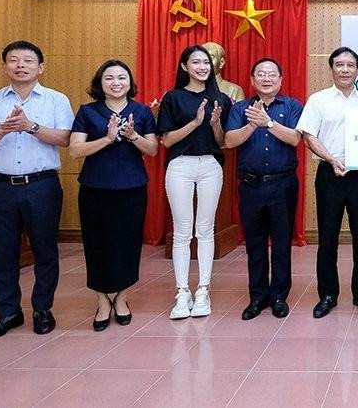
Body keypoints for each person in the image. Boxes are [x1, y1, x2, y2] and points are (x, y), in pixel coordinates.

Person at [0, 41, 73, 342]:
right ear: (5, 67)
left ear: (41, 67)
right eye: (14, 60)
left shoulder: (56, 100)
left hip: (42, 185)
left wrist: (30, 126)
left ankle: (42, 309)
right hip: (0, 187)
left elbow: (65, 138)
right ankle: (8, 312)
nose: (21, 65)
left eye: (28, 60)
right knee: (3, 252)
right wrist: (2, 129)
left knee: (45, 249)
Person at [68, 60, 158, 331]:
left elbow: (152, 149)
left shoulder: (142, 111)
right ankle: (102, 301)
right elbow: (75, 150)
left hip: (132, 188)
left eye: (121, 77)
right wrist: (107, 139)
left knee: (128, 244)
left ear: (130, 82)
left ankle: (122, 298)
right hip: (95, 188)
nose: (116, 82)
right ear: (100, 82)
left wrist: (133, 136)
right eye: (109, 78)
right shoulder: (87, 111)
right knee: (97, 245)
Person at [297, 47, 358, 318]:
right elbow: (309, 136)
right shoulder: (318, 100)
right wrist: (331, 159)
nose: (345, 70)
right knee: (328, 236)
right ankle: (328, 295)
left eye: (350, 65)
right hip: (329, 173)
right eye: (339, 65)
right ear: (331, 68)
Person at [225, 58, 303, 320]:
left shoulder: (292, 106)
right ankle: (257, 296)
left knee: (282, 242)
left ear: (280, 80)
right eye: (261, 74)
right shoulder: (240, 108)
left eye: (271, 74)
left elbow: (295, 138)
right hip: (251, 185)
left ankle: (279, 296)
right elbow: (230, 140)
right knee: (255, 244)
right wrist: (252, 124)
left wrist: (268, 122)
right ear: (252, 80)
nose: (266, 78)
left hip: (283, 184)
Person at [157, 45, 230, 320]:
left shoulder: (221, 98)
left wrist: (213, 123)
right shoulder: (172, 98)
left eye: (206, 62)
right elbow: (167, 141)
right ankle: (182, 292)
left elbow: (222, 143)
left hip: (210, 165)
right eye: (196, 62)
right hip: (180, 165)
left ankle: (203, 291)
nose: (202, 67)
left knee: (206, 230)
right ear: (184, 67)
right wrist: (194, 123)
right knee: (182, 232)